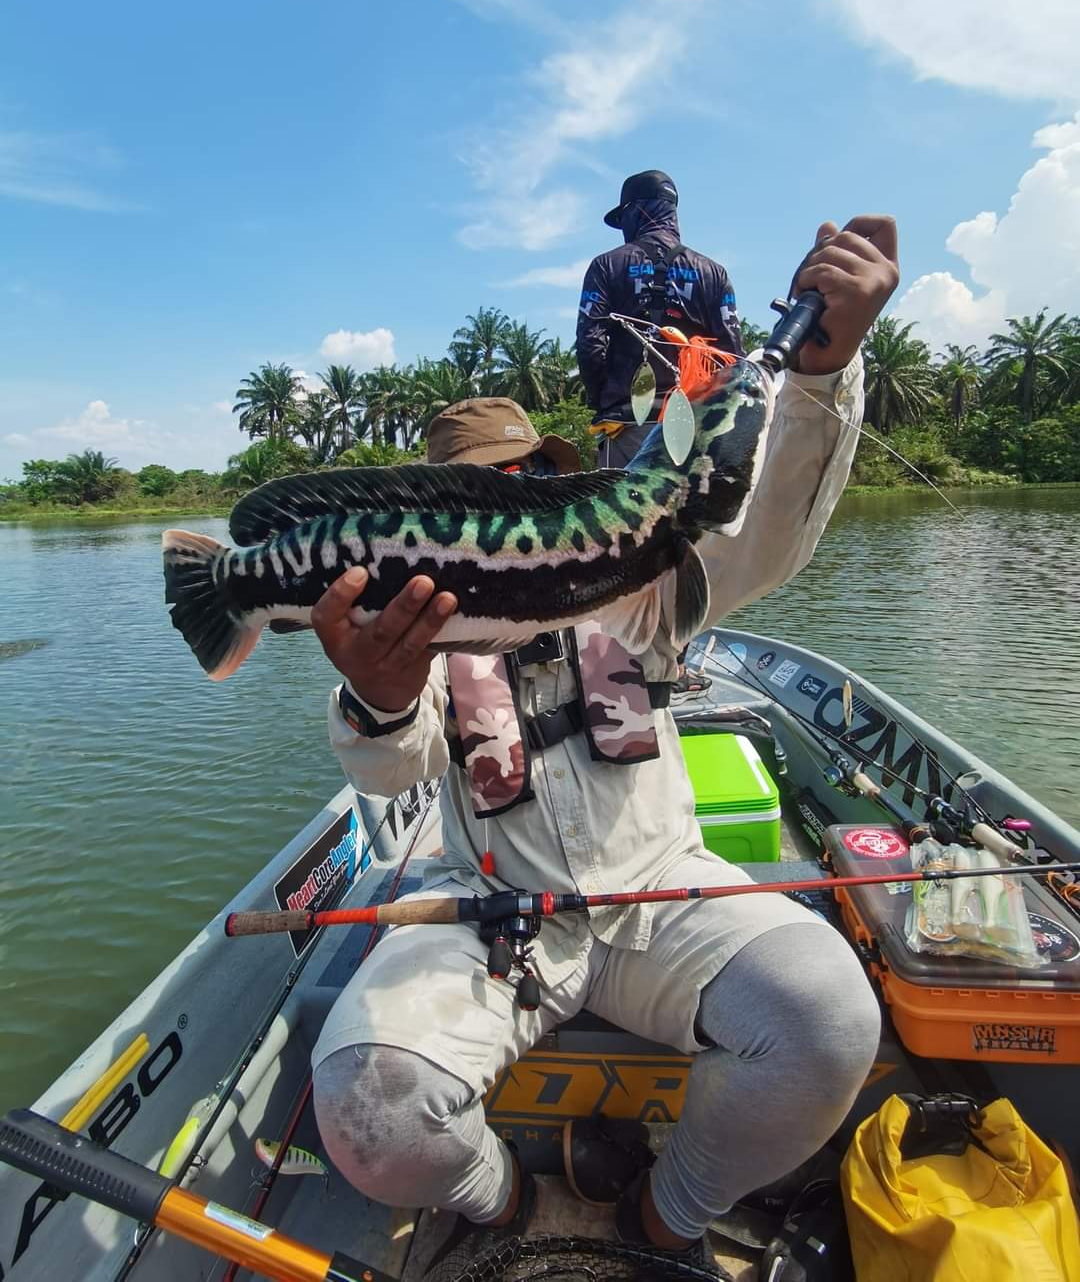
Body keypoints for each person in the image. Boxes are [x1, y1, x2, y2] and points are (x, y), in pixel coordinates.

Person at [309, 217, 899, 1268]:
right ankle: (506, 1209)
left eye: (531, 474)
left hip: (666, 890)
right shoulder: (410, 625)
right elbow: (393, 772)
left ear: (557, 478)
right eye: (484, 493)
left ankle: (662, 1219)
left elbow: (765, 526)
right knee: (366, 1107)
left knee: (828, 1024)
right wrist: (384, 697)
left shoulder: (638, 579)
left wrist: (824, 375)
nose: (518, 498)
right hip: (497, 912)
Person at [576, 170, 740, 468]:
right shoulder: (714, 273)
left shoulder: (606, 266)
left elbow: (590, 345)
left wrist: (604, 400)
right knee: (695, 515)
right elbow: (732, 359)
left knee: (624, 515)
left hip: (627, 426)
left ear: (634, 212)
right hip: (697, 427)